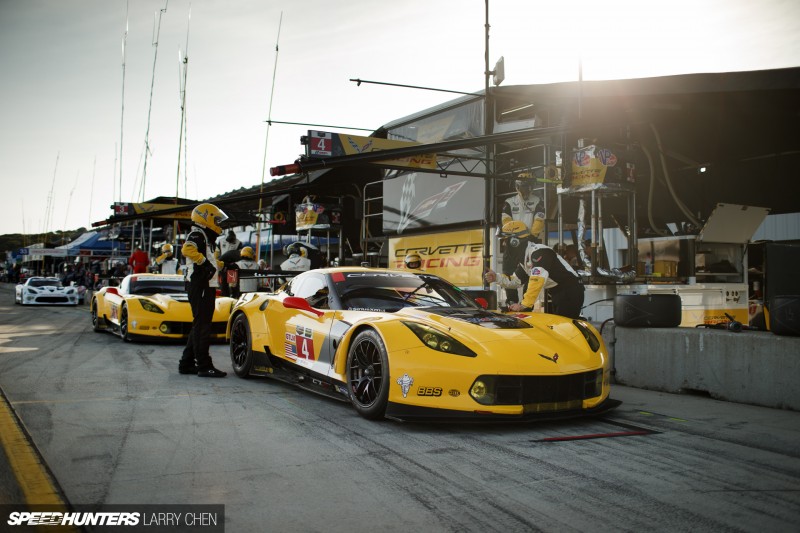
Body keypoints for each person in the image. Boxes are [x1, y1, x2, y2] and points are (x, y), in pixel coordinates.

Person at [486, 223, 584, 319]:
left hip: (570, 290)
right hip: (559, 292)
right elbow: (516, 281)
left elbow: (536, 281)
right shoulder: (526, 258)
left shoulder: (539, 253)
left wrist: (524, 305)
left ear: (514, 242)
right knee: (560, 327)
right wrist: (497, 278)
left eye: (505, 240)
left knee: (565, 328)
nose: (503, 244)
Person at [179, 202, 229, 378]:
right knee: (203, 326)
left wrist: (225, 265)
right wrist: (204, 263)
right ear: (206, 218)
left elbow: (211, 261)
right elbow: (187, 249)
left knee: (199, 325)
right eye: (216, 219)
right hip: (200, 285)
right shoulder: (197, 233)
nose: (219, 224)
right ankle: (203, 365)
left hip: (203, 285)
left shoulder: (205, 237)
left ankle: (186, 364)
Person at [500, 175, 543, 304]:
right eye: (523, 186)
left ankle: (526, 303)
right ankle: (511, 301)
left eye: (528, 186)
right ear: (517, 186)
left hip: (530, 242)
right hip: (512, 242)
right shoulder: (509, 201)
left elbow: (539, 220)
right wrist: (513, 235)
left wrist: (531, 236)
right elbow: (506, 221)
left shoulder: (538, 201)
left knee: (530, 272)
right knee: (508, 271)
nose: (525, 189)